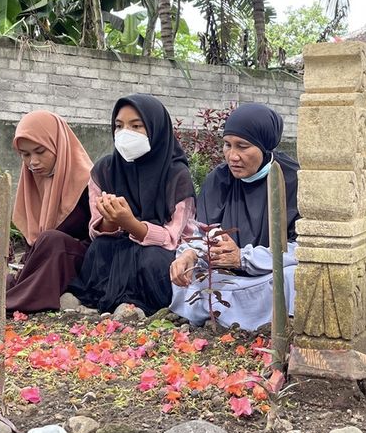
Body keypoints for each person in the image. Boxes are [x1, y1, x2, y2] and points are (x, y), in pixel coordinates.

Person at [169, 103, 300, 330]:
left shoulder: (292, 180)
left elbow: (303, 248)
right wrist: (190, 254)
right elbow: (204, 233)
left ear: (264, 145)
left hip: (268, 274)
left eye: (243, 146)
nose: (233, 156)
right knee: (188, 275)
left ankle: (247, 321)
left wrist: (244, 258)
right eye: (227, 145)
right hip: (227, 276)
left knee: (293, 277)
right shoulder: (219, 179)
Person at [69, 94, 196, 315]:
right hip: (120, 243)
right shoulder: (105, 170)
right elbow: (96, 231)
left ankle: (134, 305)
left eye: (136, 126)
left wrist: (131, 223)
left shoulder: (176, 175)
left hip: (162, 250)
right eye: (119, 126)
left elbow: (172, 238)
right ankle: (100, 301)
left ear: (156, 129)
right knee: (100, 249)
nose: (125, 133)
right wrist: (109, 219)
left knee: (152, 258)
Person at [5, 110, 93, 313]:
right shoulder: (35, 180)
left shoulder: (88, 180)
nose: (32, 162)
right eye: (25, 155)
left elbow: (101, 237)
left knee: (52, 240)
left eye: (40, 151)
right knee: (3, 281)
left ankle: (13, 302)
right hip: (49, 260)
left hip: (81, 263)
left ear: (58, 145)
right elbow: (35, 240)